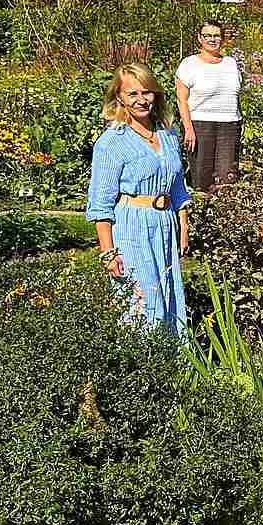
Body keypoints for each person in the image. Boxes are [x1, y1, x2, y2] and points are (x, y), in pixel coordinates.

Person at [85, 63, 190, 336]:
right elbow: (101, 203)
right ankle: (141, 369)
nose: (141, 100)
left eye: (147, 92)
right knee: (142, 301)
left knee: (169, 295)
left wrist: (183, 228)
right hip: (132, 226)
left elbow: (178, 187)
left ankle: (174, 367)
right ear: (119, 97)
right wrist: (109, 253)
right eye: (132, 94)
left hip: (165, 224)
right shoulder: (111, 143)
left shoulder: (168, 135)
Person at [175, 19, 242, 191]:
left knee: (227, 178)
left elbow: (235, 96)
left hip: (229, 125)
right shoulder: (189, 64)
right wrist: (188, 129)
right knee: (202, 178)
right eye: (208, 36)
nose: (212, 40)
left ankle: (224, 215)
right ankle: (202, 214)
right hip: (200, 125)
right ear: (200, 38)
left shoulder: (231, 63)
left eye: (217, 36)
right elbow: (181, 100)